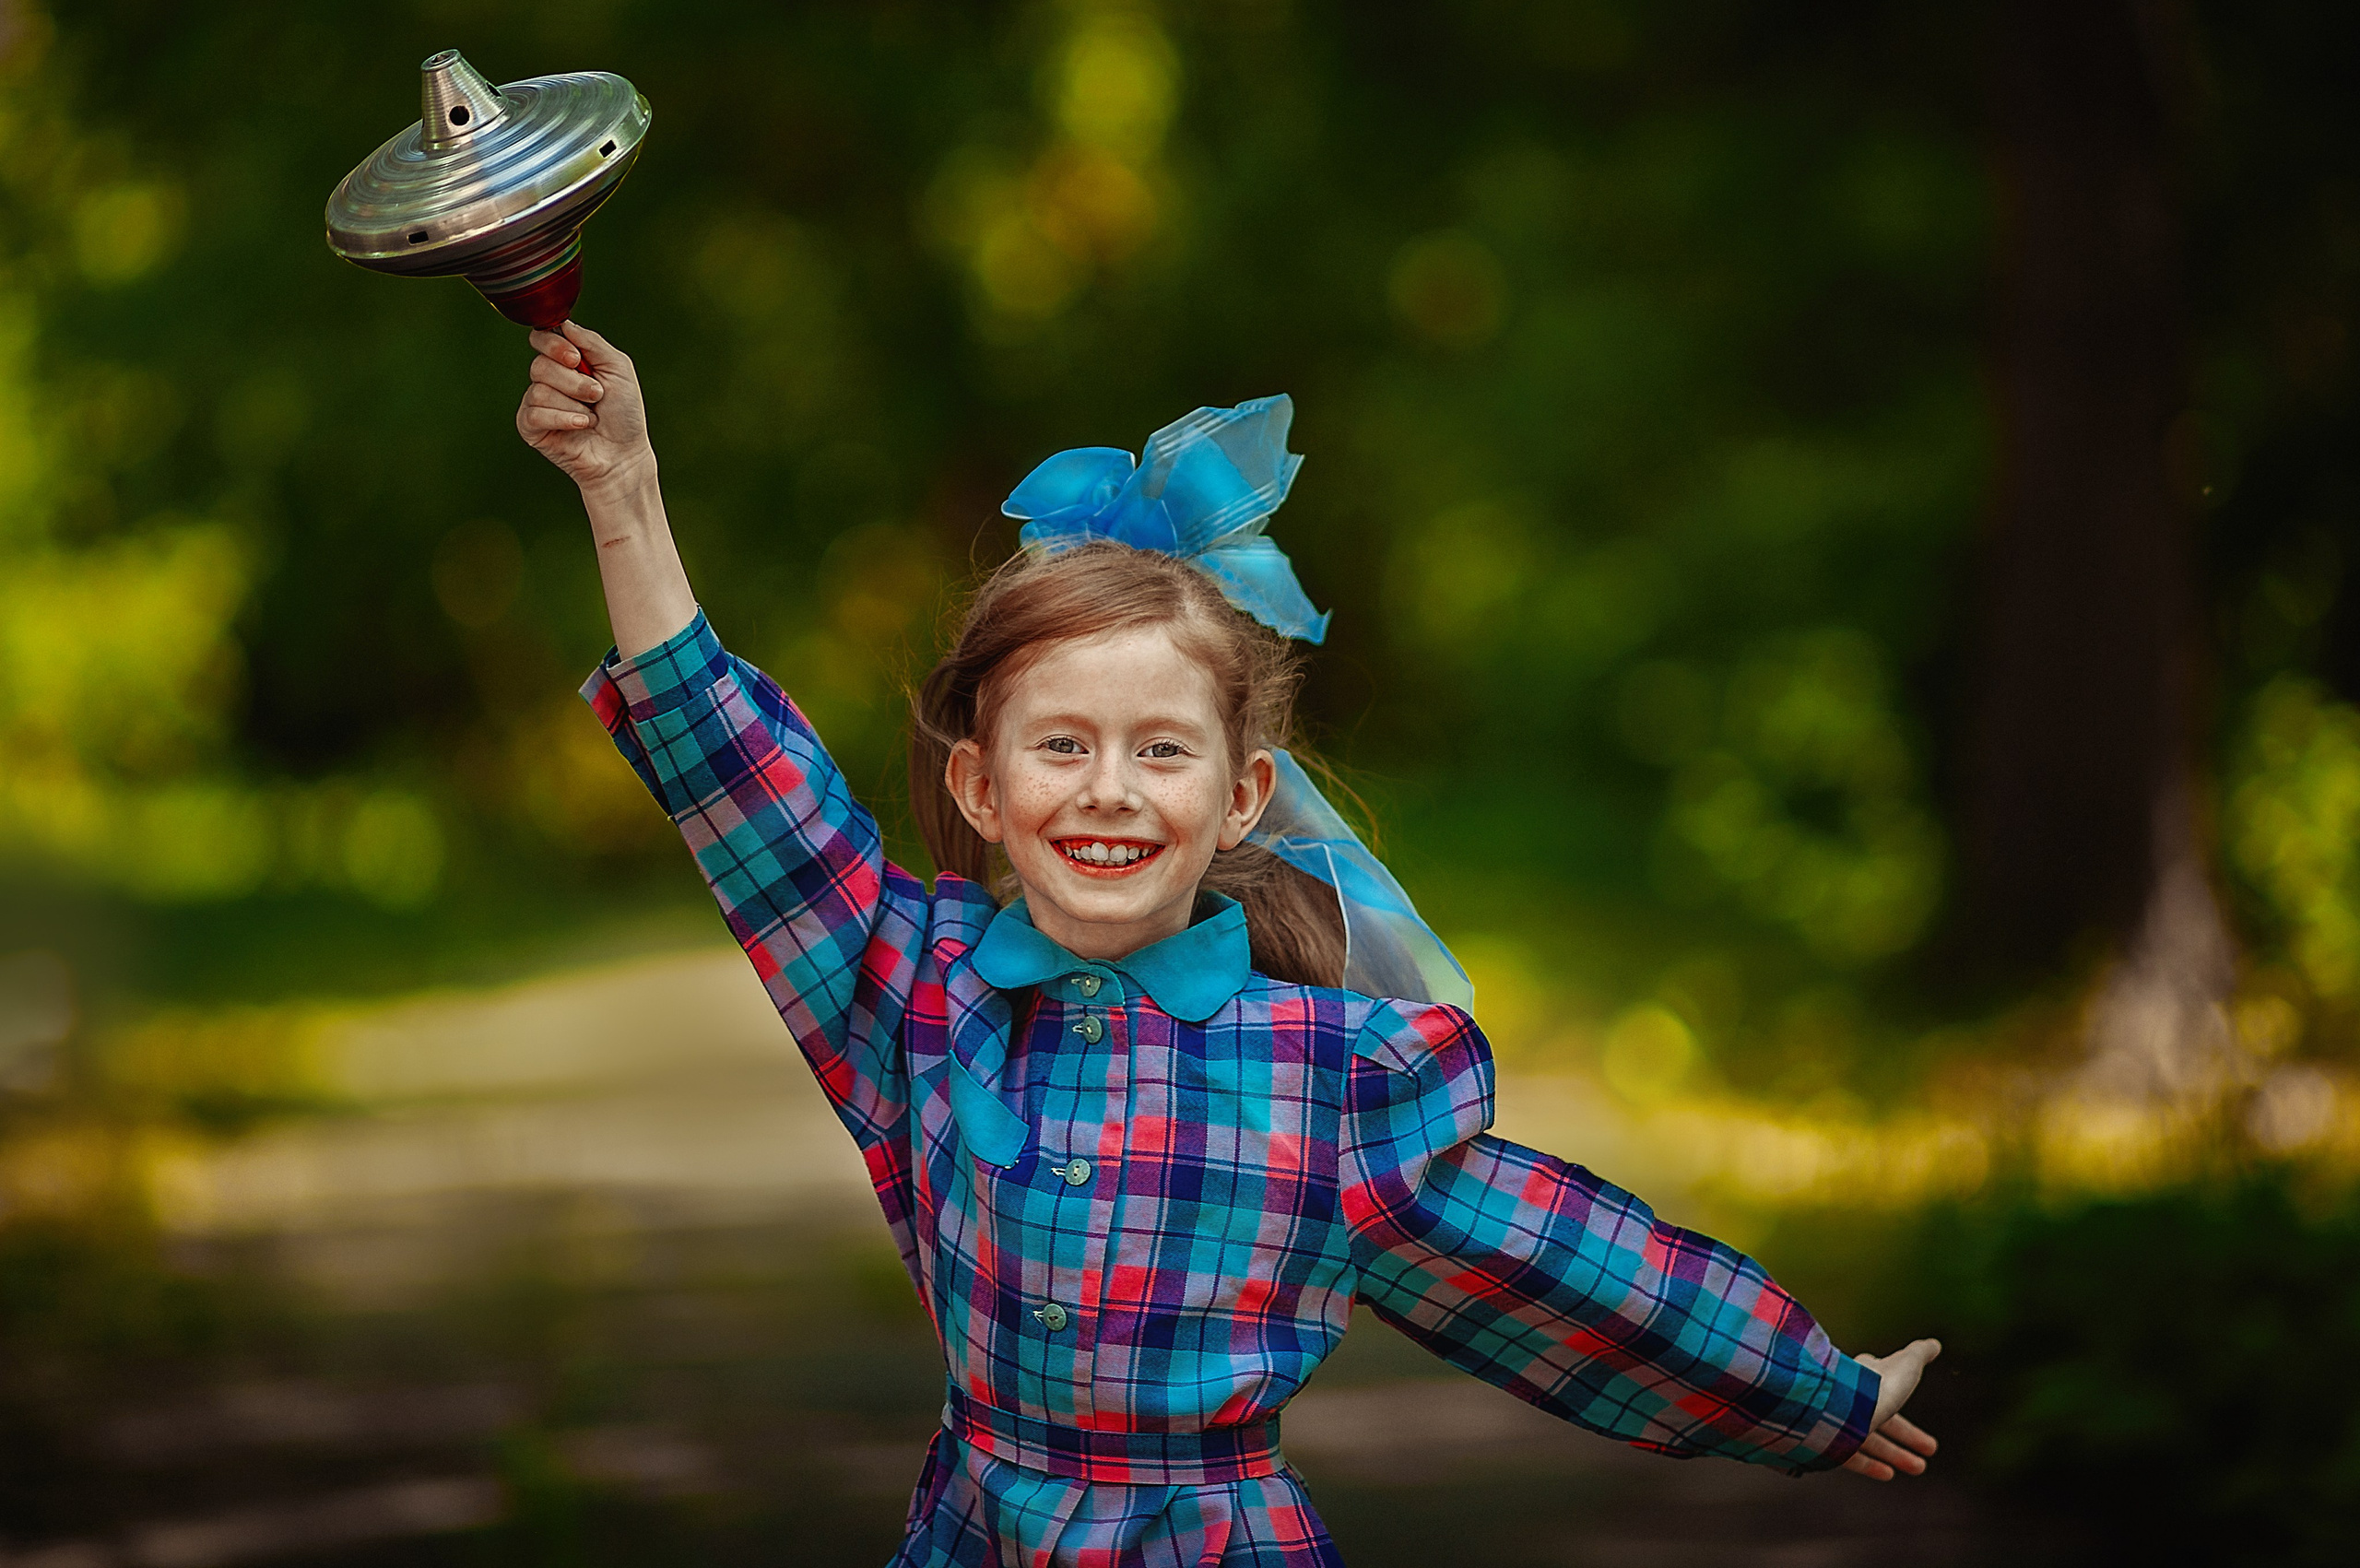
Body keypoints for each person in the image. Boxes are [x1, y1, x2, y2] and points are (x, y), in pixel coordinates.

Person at [514, 319, 1941, 1566]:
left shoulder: (1337, 1084)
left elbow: (1572, 1266)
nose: (1111, 789)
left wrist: (1812, 1394)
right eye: (1061, 746)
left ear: (1242, 796)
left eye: (1162, 750)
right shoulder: (915, 996)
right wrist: (623, 492)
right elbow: (746, 799)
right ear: (982, 789)